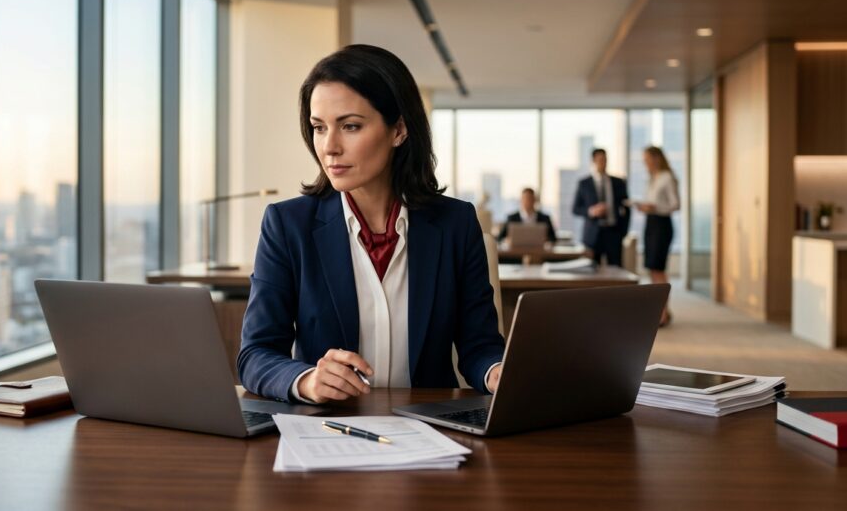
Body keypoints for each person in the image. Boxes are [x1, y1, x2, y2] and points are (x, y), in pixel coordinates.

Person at [237, 45, 506, 404]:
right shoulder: (287, 225)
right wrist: (306, 380)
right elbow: (255, 354)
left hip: (433, 428)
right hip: (327, 431)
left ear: (399, 130)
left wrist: (497, 372)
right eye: (319, 128)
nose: (329, 147)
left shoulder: (456, 224)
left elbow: (480, 346)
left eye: (350, 126)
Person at [633, 146, 680, 327]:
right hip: (650, 223)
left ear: (656, 158)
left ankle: (662, 314)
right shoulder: (651, 179)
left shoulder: (668, 177)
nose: (645, 163)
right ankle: (663, 311)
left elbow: (676, 205)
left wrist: (656, 208)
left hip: (662, 224)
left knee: (659, 269)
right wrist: (645, 207)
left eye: (647, 159)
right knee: (652, 269)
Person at [571, 148, 630, 266]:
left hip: (613, 232)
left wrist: (623, 231)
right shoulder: (584, 183)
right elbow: (575, 209)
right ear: (593, 161)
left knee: (616, 268)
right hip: (593, 234)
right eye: (599, 160)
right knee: (591, 270)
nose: (603, 162)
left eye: (605, 159)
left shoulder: (619, 182)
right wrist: (591, 211)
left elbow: (627, 208)